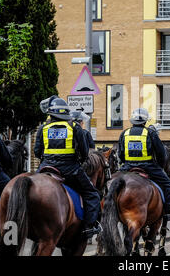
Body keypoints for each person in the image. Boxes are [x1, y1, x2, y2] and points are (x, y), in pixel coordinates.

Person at [34, 96, 101, 239]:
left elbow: (36, 152)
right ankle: (89, 227)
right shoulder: (74, 127)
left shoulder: (43, 128)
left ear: (51, 114)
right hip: (70, 169)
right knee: (92, 194)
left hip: (45, 168)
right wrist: (79, 160)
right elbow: (84, 152)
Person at [118, 108, 170, 221]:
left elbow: (120, 154)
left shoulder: (124, 133)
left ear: (132, 121)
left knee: (109, 184)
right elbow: (161, 153)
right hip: (148, 167)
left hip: (127, 167)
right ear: (145, 121)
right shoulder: (150, 133)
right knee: (169, 184)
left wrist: (125, 163)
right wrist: (160, 166)